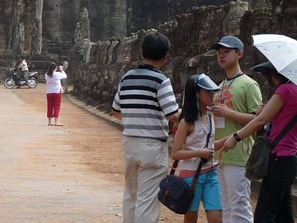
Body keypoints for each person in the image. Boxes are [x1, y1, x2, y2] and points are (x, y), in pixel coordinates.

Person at [219, 61, 297, 222]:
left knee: (264, 215)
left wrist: (236, 136)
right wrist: (265, 111)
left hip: (278, 159)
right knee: (283, 214)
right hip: (288, 161)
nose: (268, 80)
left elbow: (260, 121)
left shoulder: (284, 90)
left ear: (275, 74)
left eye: (268, 75)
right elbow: (276, 121)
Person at [111, 31, 180, 223]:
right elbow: (172, 114)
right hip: (152, 145)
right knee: (147, 200)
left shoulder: (127, 78)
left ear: (141, 52)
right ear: (166, 56)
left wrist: (135, 119)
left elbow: (116, 110)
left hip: (130, 142)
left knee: (131, 194)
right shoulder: (161, 81)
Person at [210, 35, 262, 223]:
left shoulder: (249, 84)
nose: (221, 56)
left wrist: (229, 113)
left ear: (239, 54)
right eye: (219, 52)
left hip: (239, 154)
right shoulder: (218, 86)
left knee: (239, 206)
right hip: (219, 154)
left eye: (226, 52)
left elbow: (259, 120)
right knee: (225, 207)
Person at [171, 74, 222, 223]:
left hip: (211, 173)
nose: (212, 95)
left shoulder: (211, 116)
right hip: (191, 176)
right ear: (197, 94)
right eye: (208, 92)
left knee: (216, 219)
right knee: (191, 218)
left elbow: (210, 146)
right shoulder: (186, 122)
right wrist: (200, 153)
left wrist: (234, 137)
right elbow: (175, 153)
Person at [45, 62, 67, 126]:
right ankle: (56, 122)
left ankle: (49, 122)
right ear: (55, 68)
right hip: (57, 92)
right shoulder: (57, 74)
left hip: (49, 92)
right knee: (57, 106)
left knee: (49, 106)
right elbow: (65, 76)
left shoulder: (46, 74)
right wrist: (61, 70)